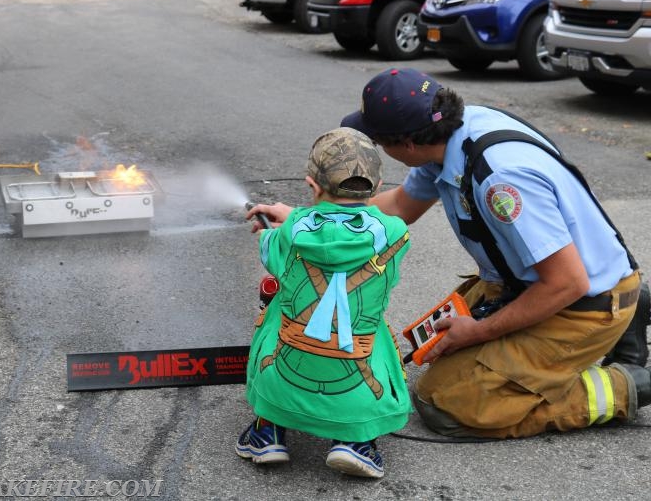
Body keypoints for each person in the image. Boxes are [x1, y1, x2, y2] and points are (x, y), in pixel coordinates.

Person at [248, 68, 649, 439]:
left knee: (446, 405)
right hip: (525, 284)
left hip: (576, 301)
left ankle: (624, 385)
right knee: (434, 355)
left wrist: (478, 331)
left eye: (379, 141)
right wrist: (307, 219)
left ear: (405, 143)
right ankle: (630, 310)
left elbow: (567, 283)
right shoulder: (450, 135)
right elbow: (402, 206)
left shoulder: (500, 181)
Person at [236, 127, 412, 478]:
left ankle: (267, 432)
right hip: (357, 388)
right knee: (375, 328)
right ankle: (355, 442)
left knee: (273, 311)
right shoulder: (395, 234)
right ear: (377, 188)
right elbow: (351, 229)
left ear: (312, 186)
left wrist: (279, 225)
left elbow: (275, 245)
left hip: (284, 377)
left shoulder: (291, 231)